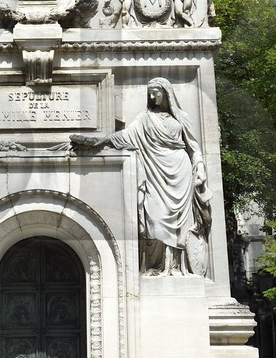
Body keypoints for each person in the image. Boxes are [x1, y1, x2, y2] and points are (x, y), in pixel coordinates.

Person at [68, 77, 211, 275]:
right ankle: (158, 266)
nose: (152, 96)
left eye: (156, 92)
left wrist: (201, 167)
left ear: (166, 92)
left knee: (181, 225)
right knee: (155, 220)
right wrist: (98, 142)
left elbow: (194, 147)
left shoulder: (181, 118)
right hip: (155, 171)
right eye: (150, 93)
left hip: (180, 171)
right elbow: (124, 136)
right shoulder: (145, 118)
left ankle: (175, 268)